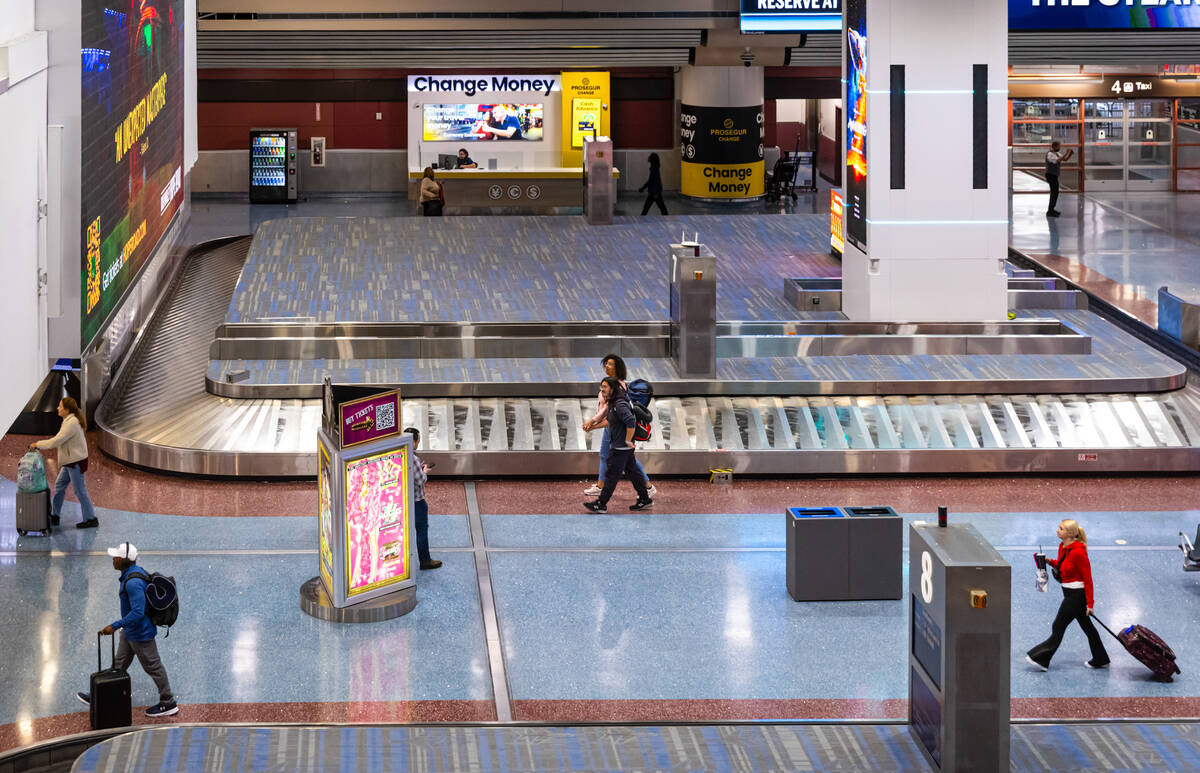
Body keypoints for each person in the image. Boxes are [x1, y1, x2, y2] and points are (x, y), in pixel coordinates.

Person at [76, 542, 179, 717]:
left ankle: (168, 702)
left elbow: (138, 612)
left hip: (140, 634)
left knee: (153, 667)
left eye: (116, 557)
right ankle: (98, 695)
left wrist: (114, 626)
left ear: (125, 561)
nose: (113, 560)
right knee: (118, 665)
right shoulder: (133, 572)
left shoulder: (133, 583)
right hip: (130, 632)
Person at [1025, 518, 1110, 671]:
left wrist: (1090, 604)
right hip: (1068, 593)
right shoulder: (1063, 547)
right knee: (1088, 628)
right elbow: (1064, 565)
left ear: (1070, 534)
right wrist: (1050, 561)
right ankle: (1101, 658)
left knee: (1058, 625)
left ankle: (1042, 658)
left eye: (1061, 528)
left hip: (1076, 596)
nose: (1057, 530)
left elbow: (1088, 579)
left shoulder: (1079, 552)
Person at [582, 354, 654, 499]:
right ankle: (601, 486)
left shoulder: (618, 386)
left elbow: (609, 408)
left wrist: (593, 421)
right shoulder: (612, 382)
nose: (606, 366)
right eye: (606, 364)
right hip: (611, 426)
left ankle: (647, 486)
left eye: (610, 364)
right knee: (608, 456)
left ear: (617, 367)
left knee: (627, 460)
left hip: (614, 427)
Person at [29, 397, 97, 529]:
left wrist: (37, 444)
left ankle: (91, 519)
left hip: (75, 462)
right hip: (70, 461)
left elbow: (56, 441)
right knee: (60, 486)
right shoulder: (68, 420)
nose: (57, 408)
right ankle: (55, 515)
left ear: (67, 410)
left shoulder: (71, 423)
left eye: (60, 406)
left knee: (80, 491)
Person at [405, 427, 441, 570]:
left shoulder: (402, 454)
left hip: (405, 499)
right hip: (417, 501)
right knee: (421, 530)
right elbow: (420, 480)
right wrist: (424, 471)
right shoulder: (413, 458)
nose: (419, 443)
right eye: (418, 440)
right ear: (413, 441)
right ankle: (425, 560)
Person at [1045, 140, 1072, 218]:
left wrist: (1069, 154)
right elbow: (1057, 160)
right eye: (1059, 146)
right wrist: (1067, 153)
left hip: (1054, 175)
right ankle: (1050, 211)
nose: (1060, 148)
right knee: (1054, 193)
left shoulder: (1056, 153)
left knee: (1055, 193)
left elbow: (1064, 159)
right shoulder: (1050, 154)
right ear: (1055, 146)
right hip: (1050, 175)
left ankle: (1051, 209)